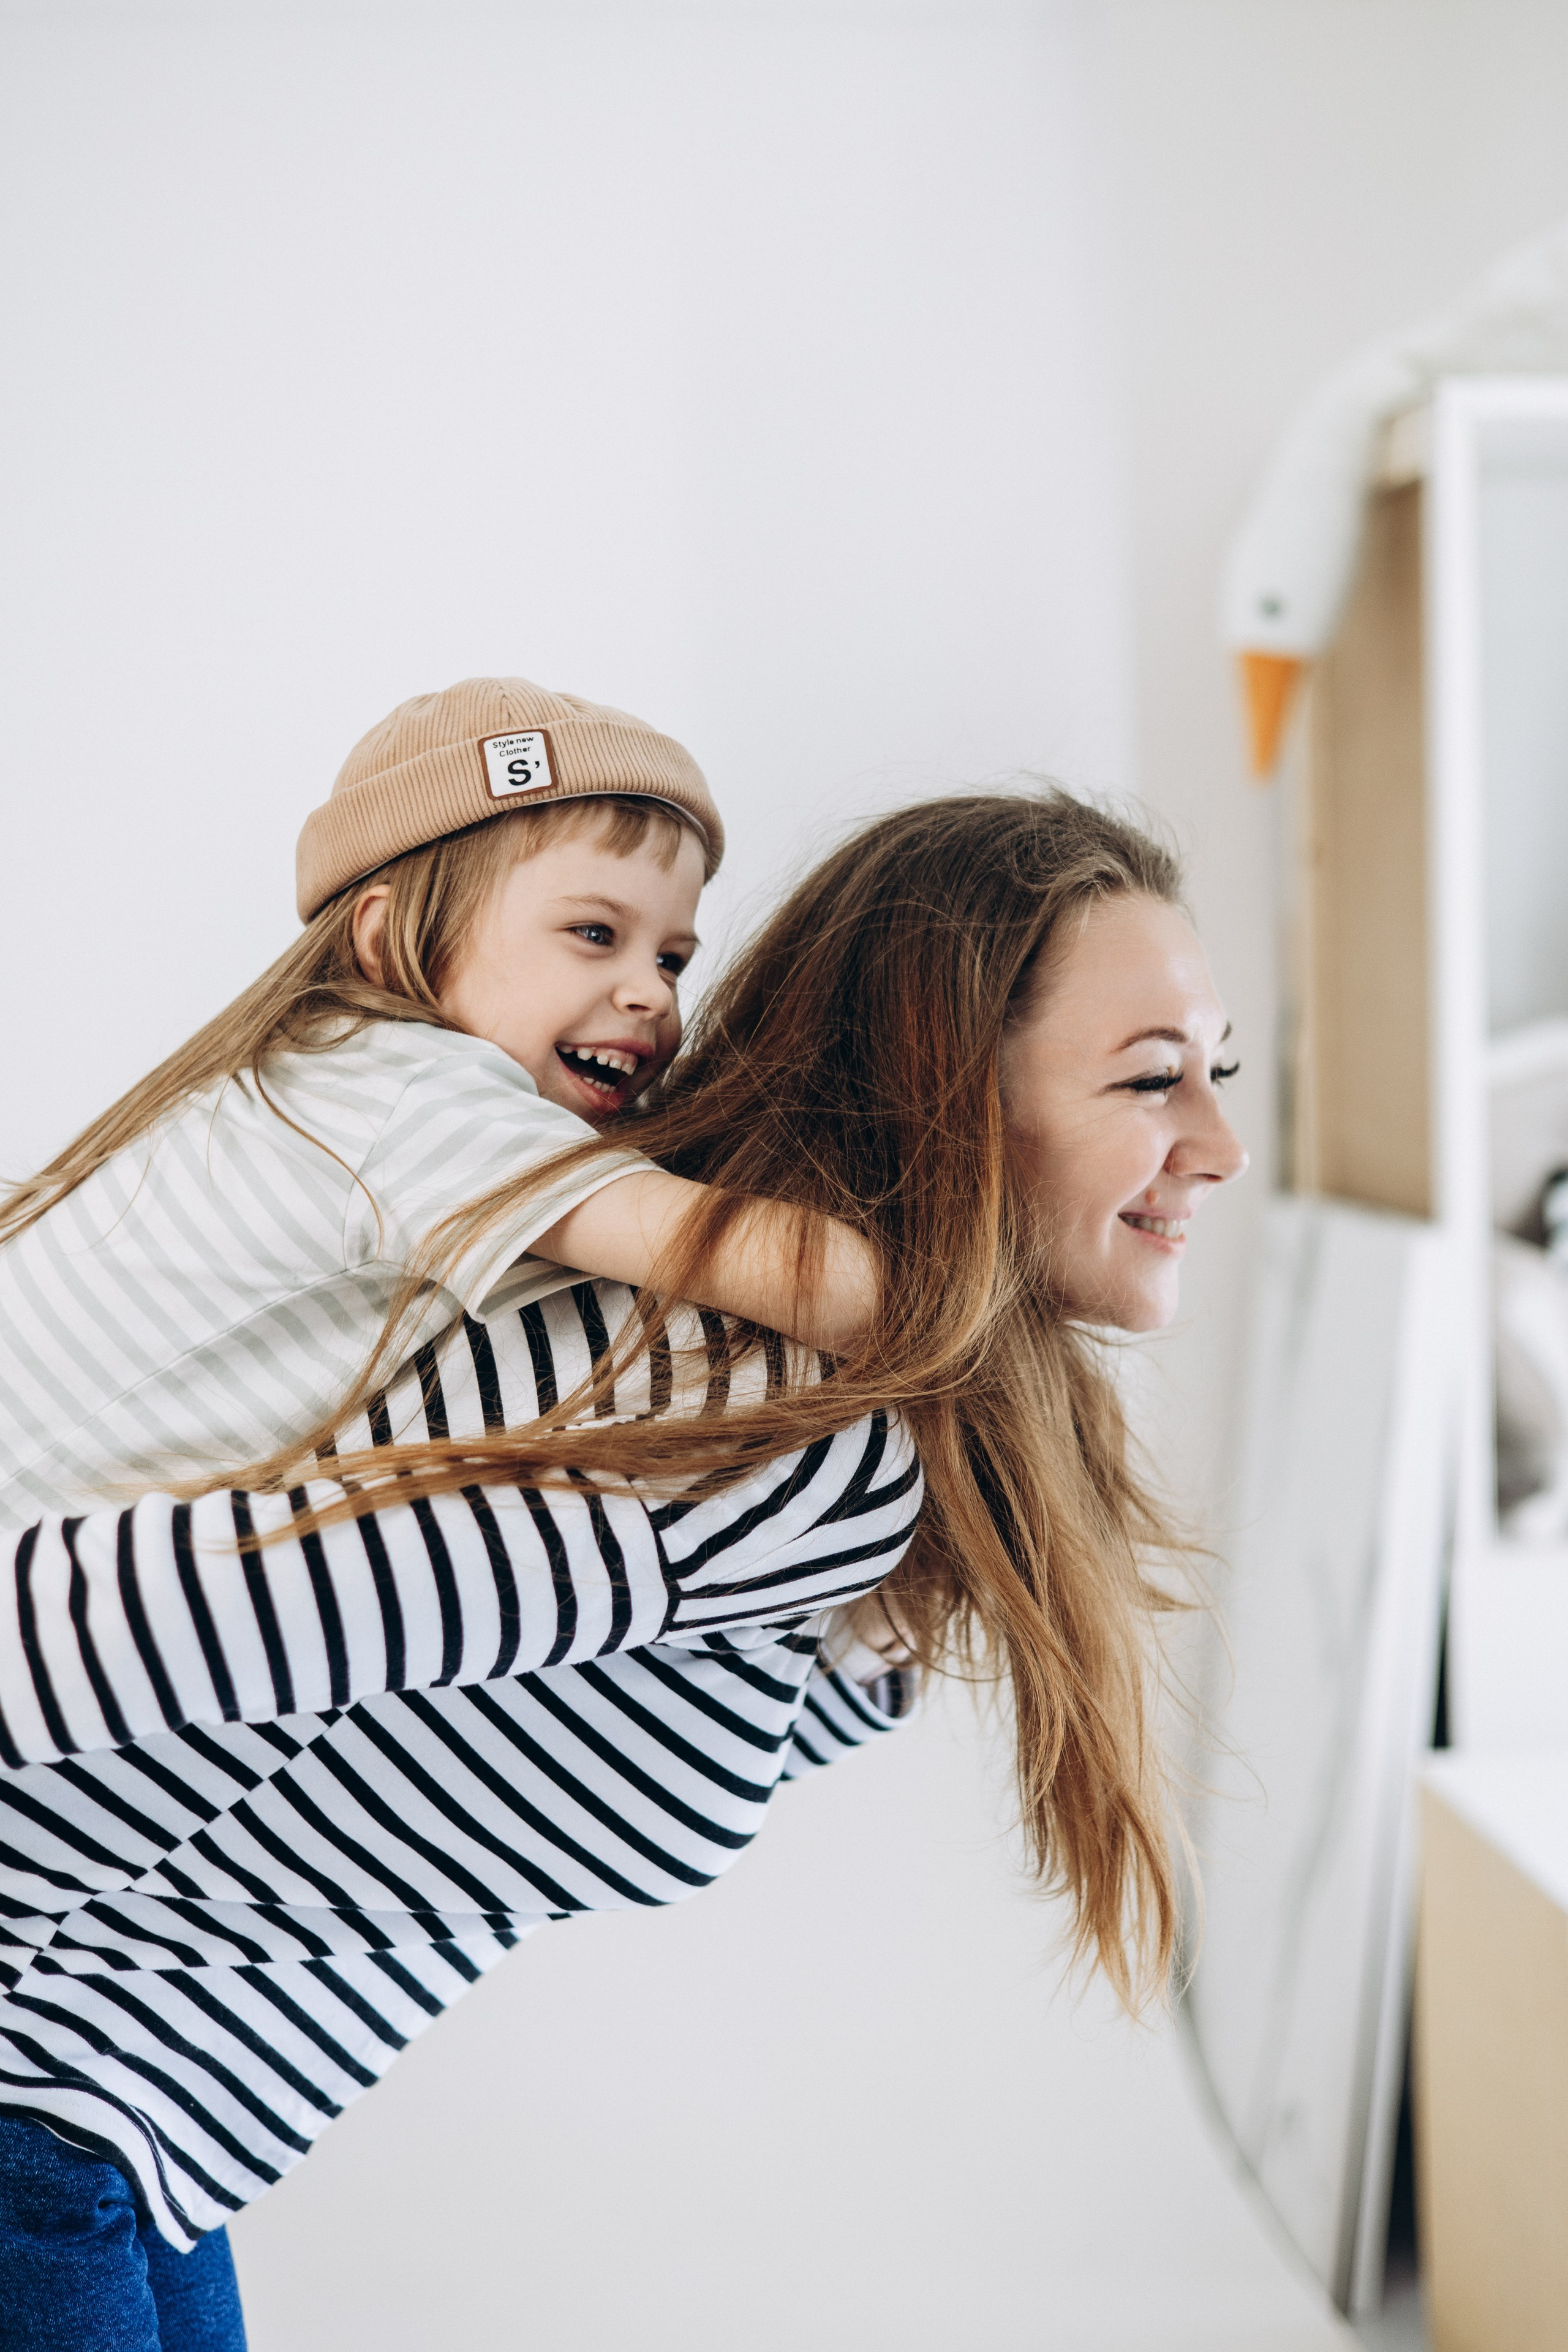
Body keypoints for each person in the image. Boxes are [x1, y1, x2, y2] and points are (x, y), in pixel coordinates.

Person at [0, 789, 1245, 2349]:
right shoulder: (757, 1426)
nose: (1219, 1142)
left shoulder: (801, 1447)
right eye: (1151, 1080)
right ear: (954, 1093)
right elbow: (47, 1645)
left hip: (129, 2140)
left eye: (1217, 1072)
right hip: (39, 2103)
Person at [0, 676, 875, 1534]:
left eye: (673, 959)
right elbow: (826, 1288)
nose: (651, 993)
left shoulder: (313, 1078)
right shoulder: (411, 1095)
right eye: (595, 934)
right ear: (385, 940)